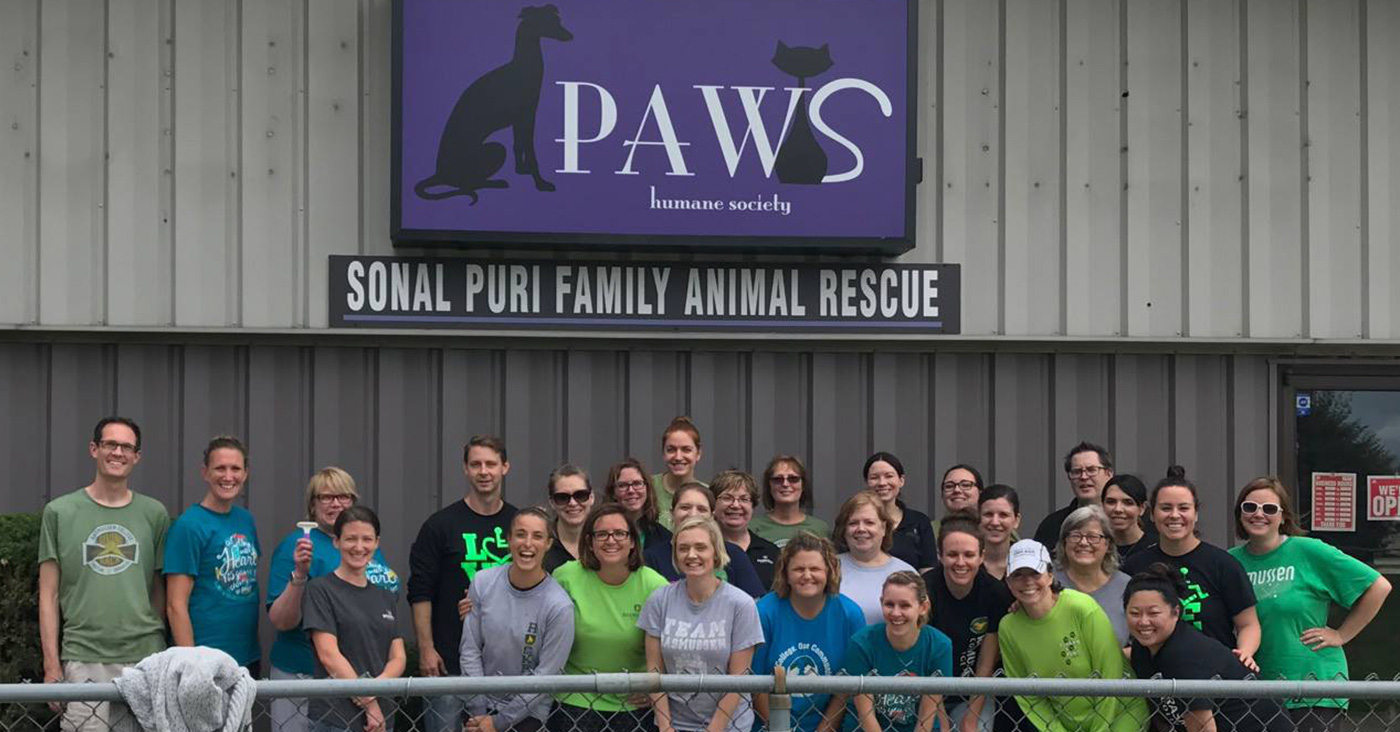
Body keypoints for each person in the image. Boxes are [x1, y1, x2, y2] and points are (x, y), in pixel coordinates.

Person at [1228, 477, 1391, 731]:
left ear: (1283, 517)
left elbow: (1378, 587)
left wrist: (1341, 634)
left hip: (1314, 684)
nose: (1259, 514)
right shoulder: (1230, 561)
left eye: (1269, 509)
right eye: (1250, 507)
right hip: (1257, 687)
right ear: (1240, 513)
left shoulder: (1309, 551)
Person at [39, 417, 170, 732]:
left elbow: (158, 590)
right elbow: (48, 594)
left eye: (127, 447)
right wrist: (51, 664)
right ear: (94, 449)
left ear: (136, 456)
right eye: (110, 444)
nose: (118, 452)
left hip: (145, 658)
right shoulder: (59, 512)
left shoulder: (155, 514)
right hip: (84, 656)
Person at [267, 468, 401, 732]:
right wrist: (299, 577)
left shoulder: (364, 546)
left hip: (364, 679)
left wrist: (374, 687)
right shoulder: (298, 545)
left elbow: (383, 600)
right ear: (313, 504)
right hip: (304, 675)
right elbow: (281, 621)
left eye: (344, 496)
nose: (336, 503)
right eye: (327, 497)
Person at [409, 434, 519, 732]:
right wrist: (426, 648)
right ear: (465, 469)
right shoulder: (440, 525)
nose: (484, 471)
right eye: (476, 464)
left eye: (491, 464)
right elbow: (420, 591)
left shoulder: (519, 524)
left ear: (505, 467)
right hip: (448, 661)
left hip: (505, 666)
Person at [996, 539, 1148, 732]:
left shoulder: (1081, 607)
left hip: (1120, 712)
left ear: (1050, 575)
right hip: (1064, 723)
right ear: (1008, 582)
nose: (1027, 582)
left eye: (1035, 573)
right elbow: (1027, 695)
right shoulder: (1008, 627)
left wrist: (1099, 730)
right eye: (1018, 575)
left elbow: (1111, 674)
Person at [1125, 564, 1294, 732]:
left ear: (1176, 613)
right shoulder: (1143, 648)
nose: (1143, 621)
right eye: (1134, 613)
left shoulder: (1184, 654)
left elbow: (1204, 729)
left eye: (1154, 613)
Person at [1122, 467, 1261, 668]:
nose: (1175, 515)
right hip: (1153, 678)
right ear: (1152, 514)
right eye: (1166, 508)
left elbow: (1249, 624)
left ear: (1196, 514)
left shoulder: (1223, 564)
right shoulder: (1135, 566)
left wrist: (1244, 654)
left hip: (1213, 677)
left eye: (1184, 508)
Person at [551, 503, 669, 732]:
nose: (610, 540)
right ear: (590, 542)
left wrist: (653, 688)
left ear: (633, 541)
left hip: (635, 704)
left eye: (619, 533)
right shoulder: (565, 576)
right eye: (601, 534)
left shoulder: (655, 585)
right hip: (576, 699)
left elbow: (673, 646)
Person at [640, 516, 764, 732]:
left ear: (715, 552)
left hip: (729, 726)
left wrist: (713, 729)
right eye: (683, 548)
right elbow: (654, 670)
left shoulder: (741, 604)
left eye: (700, 547)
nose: (691, 555)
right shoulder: (659, 600)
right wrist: (666, 726)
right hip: (674, 725)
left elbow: (739, 679)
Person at [460, 507, 576, 732]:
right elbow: (470, 649)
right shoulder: (483, 582)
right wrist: (479, 712)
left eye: (537, 536)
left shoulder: (559, 606)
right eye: (521, 534)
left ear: (549, 544)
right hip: (479, 706)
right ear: (508, 540)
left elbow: (546, 676)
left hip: (528, 714)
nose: (528, 543)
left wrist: (499, 723)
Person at [164, 436, 261, 676]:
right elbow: (175, 604)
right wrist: (191, 665)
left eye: (235, 468)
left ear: (245, 473)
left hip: (246, 656)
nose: (228, 476)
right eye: (220, 468)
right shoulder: (189, 526)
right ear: (205, 472)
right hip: (205, 659)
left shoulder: (245, 520)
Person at [303, 506, 406, 732]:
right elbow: (329, 655)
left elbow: (398, 657)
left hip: (382, 719)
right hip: (335, 718)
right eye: (350, 539)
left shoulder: (385, 596)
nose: (359, 547)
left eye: (367, 539)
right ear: (336, 542)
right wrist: (370, 703)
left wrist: (375, 690)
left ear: (377, 543)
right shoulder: (320, 590)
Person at [752, 533, 866, 732]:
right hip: (771, 725)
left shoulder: (850, 615)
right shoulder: (765, 611)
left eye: (814, 569)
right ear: (785, 573)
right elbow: (755, 684)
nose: (807, 575)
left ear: (829, 572)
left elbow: (846, 689)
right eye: (798, 569)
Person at [922, 517, 1015, 732]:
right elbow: (926, 663)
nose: (961, 562)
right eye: (952, 555)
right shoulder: (926, 591)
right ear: (939, 556)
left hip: (973, 691)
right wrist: (942, 721)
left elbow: (985, 662)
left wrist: (972, 717)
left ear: (982, 556)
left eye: (969, 555)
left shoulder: (995, 593)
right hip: (928, 689)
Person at [841, 572, 954, 732]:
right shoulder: (862, 643)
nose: (895, 613)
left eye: (905, 605)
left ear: (923, 607)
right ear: (881, 603)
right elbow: (866, 715)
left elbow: (926, 717)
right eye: (889, 604)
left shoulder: (939, 645)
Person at [642, 483, 766, 597]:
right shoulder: (652, 557)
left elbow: (754, 603)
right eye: (685, 507)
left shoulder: (734, 554)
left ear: (712, 516)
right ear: (672, 513)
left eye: (701, 509)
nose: (693, 514)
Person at [1051, 505, 1130, 646]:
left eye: (1093, 537)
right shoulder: (1046, 581)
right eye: (1075, 536)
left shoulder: (1126, 586)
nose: (1083, 542)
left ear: (1108, 545)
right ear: (1064, 542)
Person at [833, 491, 917, 624]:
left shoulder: (906, 573)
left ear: (883, 528)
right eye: (853, 523)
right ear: (844, 529)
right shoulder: (827, 568)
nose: (861, 529)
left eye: (869, 523)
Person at [1032, 442, 1114, 547]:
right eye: (1077, 471)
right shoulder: (1053, 525)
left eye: (1091, 470)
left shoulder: (1124, 519)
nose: (1084, 477)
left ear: (1109, 474)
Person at [864, 452, 937, 570]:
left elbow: (928, 569)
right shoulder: (855, 522)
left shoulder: (919, 522)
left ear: (901, 481)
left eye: (889, 476)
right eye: (874, 477)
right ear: (867, 482)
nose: (882, 483)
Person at [713, 470, 781, 590]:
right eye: (727, 498)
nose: (735, 505)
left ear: (753, 506)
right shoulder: (705, 550)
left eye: (744, 499)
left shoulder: (771, 552)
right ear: (713, 505)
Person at [749, 454, 829, 548]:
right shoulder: (751, 528)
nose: (785, 484)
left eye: (793, 479)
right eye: (778, 479)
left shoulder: (820, 529)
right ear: (769, 486)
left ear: (803, 485)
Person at [652, 416, 706, 529]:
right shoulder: (648, 487)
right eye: (671, 450)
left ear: (698, 453)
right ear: (663, 452)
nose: (678, 457)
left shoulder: (708, 494)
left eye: (686, 450)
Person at [606, 457, 671, 547]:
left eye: (637, 483)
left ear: (647, 488)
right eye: (622, 485)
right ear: (613, 492)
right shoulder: (602, 534)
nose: (631, 490)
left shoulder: (664, 538)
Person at [544, 464, 595, 572]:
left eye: (580, 495)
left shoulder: (605, 541)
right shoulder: (541, 545)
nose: (572, 503)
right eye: (562, 497)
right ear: (552, 502)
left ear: (591, 498)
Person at [1101, 475, 1157, 562]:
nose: (1118, 509)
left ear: (1142, 508)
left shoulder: (1155, 548)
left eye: (1128, 503)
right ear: (1102, 506)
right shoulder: (1096, 548)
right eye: (1111, 502)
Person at [977, 485, 1021, 580]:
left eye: (1003, 515)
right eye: (988, 514)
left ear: (1016, 521)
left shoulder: (1026, 562)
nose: (995, 522)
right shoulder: (966, 563)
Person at [931, 465, 984, 536]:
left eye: (965, 485)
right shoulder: (930, 530)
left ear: (980, 492)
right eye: (949, 486)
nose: (957, 490)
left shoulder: (990, 528)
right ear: (942, 494)